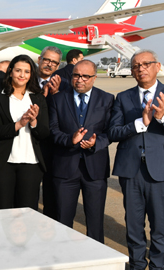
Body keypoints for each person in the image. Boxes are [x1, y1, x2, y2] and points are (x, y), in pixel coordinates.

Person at [108, 49, 164, 270]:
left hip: (161, 170)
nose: (140, 69)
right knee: (133, 224)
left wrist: (162, 116)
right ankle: (136, 267)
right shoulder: (123, 97)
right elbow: (113, 132)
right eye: (135, 66)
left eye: (145, 64)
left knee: (159, 225)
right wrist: (140, 123)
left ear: (157, 67)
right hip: (131, 170)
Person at [48, 60, 113, 243]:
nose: (80, 80)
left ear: (94, 77)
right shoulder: (58, 99)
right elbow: (52, 131)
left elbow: (110, 132)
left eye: (86, 76)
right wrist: (70, 140)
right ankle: (64, 260)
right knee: (62, 221)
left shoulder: (106, 99)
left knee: (95, 222)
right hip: (65, 169)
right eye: (76, 75)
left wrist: (95, 143)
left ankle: (97, 260)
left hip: (95, 169)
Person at [0, 54, 49, 210]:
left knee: (27, 212)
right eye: (18, 70)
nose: (22, 75)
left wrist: (34, 121)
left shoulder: (38, 98)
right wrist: (19, 124)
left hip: (31, 164)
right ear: (10, 72)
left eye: (27, 71)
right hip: (4, 163)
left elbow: (44, 133)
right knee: (2, 210)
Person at [36, 46, 64, 221]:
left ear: (58, 65)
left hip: (52, 147)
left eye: (54, 62)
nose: (49, 64)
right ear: (39, 59)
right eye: (46, 59)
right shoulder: (26, 79)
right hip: (29, 143)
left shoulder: (65, 86)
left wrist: (56, 95)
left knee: (51, 195)